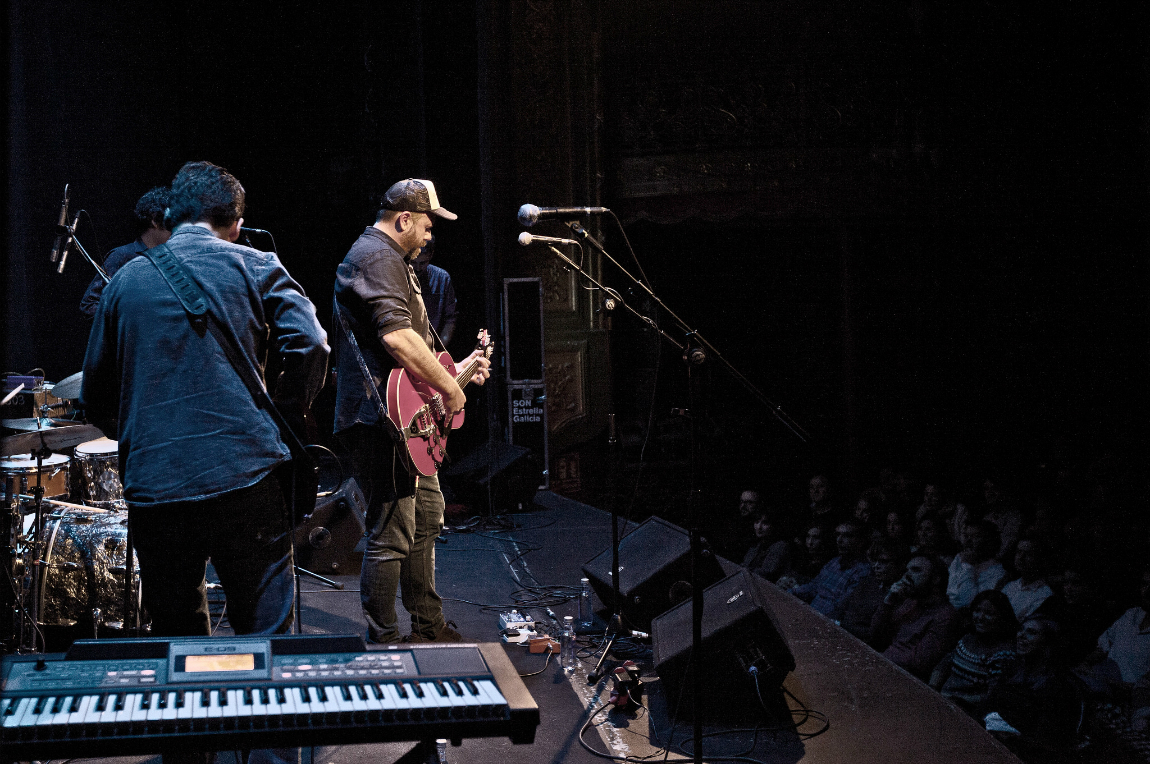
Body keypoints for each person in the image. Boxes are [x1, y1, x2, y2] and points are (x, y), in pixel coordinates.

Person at [81, 160, 328, 640]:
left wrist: (138, 432)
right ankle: (263, 713)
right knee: (266, 634)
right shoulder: (256, 264)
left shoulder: (124, 283)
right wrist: (285, 406)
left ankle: (194, 712)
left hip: (157, 484)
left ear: (172, 213)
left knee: (177, 635)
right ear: (236, 223)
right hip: (246, 473)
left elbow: (96, 391)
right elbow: (312, 344)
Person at [332, 178, 490, 645]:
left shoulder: (393, 260)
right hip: (382, 422)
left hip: (404, 417)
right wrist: (451, 389)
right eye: (425, 225)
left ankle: (428, 622)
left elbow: (415, 352)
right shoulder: (376, 256)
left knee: (427, 514)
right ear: (403, 219)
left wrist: (457, 371)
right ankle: (384, 639)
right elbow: (398, 340)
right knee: (392, 531)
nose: (428, 236)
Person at [79, 186, 171, 318]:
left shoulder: (171, 259)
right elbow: (89, 305)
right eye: (173, 220)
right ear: (155, 220)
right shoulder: (122, 256)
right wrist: (127, 320)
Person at [870, 553, 962, 680]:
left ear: (936, 579)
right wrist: (888, 602)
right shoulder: (910, 603)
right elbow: (876, 637)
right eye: (907, 570)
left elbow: (919, 664)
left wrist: (881, 660)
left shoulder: (945, 615)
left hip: (901, 679)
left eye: (916, 570)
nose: (907, 575)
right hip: (883, 665)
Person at [930, 590, 1018, 716]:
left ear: (1002, 617)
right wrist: (932, 688)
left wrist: (958, 701)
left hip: (965, 712)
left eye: (989, 613)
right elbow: (944, 665)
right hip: (942, 701)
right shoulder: (967, 639)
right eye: (977, 611)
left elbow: (992, 696)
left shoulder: (1003, 654)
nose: (980, 617)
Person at [788, 518, 872, 622]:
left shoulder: (863, 572)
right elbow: (814, 586)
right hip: (808, 614)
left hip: (824, 623)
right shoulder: (834, 562)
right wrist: (789, 593)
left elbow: (841, 608)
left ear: (861, 541)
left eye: (847, 536)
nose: (839, 540)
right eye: (838, 535)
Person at [840, 537, 904, 643]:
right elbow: (842, 607)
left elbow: (876, 636)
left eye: (883, 562)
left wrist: (843, 626)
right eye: (875, 561)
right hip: (842, 633)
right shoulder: (869, 581)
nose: (876, 566)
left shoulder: (898, 595)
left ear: (900, 564)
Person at [946, 519, 1007, 610]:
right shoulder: (959, 558)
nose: (968, 541)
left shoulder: (997, 572)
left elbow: (971, 602)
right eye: (966, 536)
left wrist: (967, 566)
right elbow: (949, 591)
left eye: (975, 536)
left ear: (988, 540)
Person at [410, 232, 457, 345]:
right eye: (413, 262)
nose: (417, 268)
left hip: (430, 345)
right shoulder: (399, 276)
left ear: (431, 255)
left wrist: (439, 351)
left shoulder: (442, 277)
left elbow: (450, 319)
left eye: (422, 263)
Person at [741, 508, 792, 582]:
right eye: (757, 522)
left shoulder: (780, 546)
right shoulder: (756, 546)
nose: (759, 527)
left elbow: (767, 573)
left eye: (765, 523)